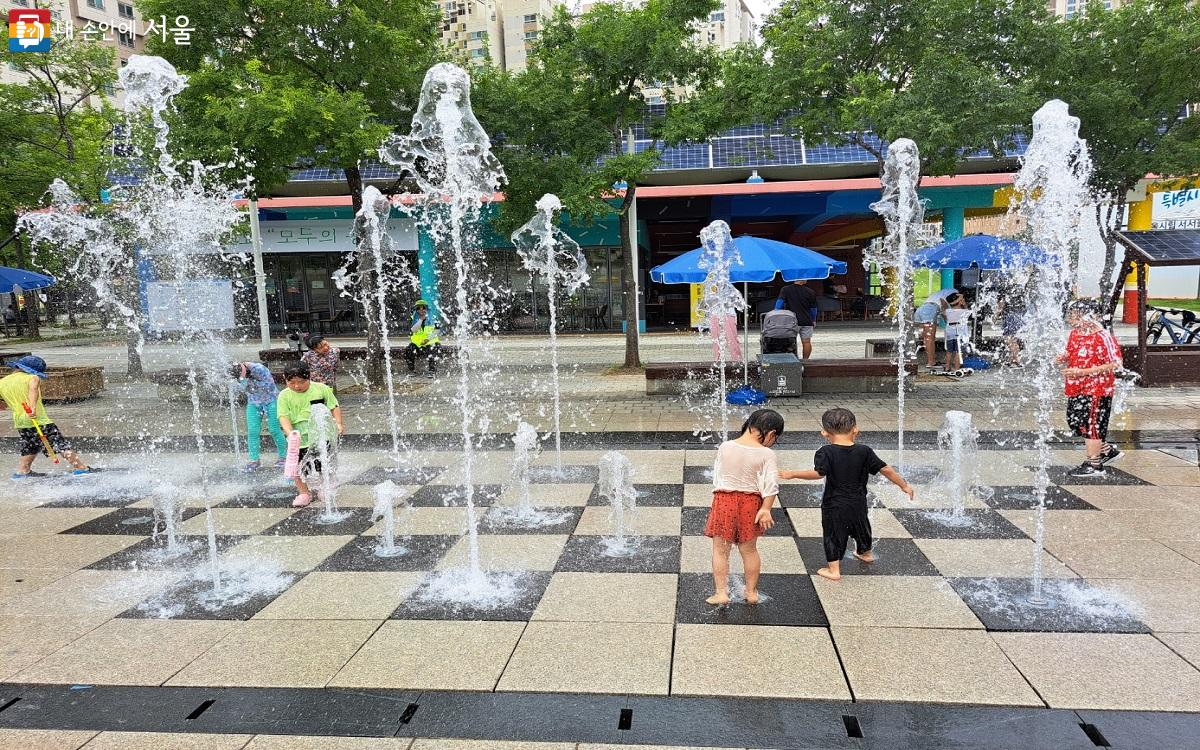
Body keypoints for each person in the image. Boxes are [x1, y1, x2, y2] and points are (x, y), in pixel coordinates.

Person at [780, 407, 913, 581]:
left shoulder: (825, 452)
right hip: (858, 501)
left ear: (824, 433)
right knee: (861, 526)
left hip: (834, 504)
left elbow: (818, 473)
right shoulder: (865, 451)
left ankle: (834, 570)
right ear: (855, 429)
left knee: (833, 533)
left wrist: (793, 473)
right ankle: (865, 553)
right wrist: (903, 485)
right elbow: (885, 469)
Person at [705, 408, 783, 606]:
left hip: (724, 500)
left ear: (749, 425)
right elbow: (771, 485)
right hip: (751, 503)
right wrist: (766, 509)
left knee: (721, 550)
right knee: (749, 550)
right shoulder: (767, 454)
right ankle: (751, 592)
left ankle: (721, 593)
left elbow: (718, 477)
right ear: (772, 433)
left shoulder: (726, 446)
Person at [1057, 300, 1124, 478]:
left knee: (1091, 425)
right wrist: (1063, 357)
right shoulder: (1075, 334)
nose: (1070, 319)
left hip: (1097, 389)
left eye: (1074, 315)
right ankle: (1107, 451)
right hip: (1076, 386)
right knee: (1075, 421)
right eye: (1070, 315)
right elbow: (1073, 352)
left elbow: (1116, 364)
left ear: (1089, 316)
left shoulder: (1102, 336)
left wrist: (1084, 371)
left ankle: (1094, 464)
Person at [0, 356, 92, 478]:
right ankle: (80, 467)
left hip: (20, 421)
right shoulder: (32, 378)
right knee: (60, 443)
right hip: (38, 420)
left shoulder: (3, 382)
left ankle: (23, 470)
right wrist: (32, 408)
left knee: (31, 445)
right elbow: (33, 390)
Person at [276, 363, 344, 507]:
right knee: (296, 468)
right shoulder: (284, 395)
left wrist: (338, 423)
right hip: (298, 440)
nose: (296, 386)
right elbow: (283, 416)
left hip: (320, 436)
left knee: (323, 465)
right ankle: (304, 493)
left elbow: (334, 406)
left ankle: (325, 488)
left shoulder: (321, 389)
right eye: (291, 382)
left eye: (301, 382)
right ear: (285, 379)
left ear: (309, 377)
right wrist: (289, 433)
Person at [230, 361, 287, 472]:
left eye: (245, 375)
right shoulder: (240, 373)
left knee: (274, 429)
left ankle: (283, 456)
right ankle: (254, 460)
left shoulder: (259, 369)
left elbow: (262, 387)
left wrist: (243, 380)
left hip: (271, 401)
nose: (244, 377)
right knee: (252, 431)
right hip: (254, 402)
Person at [914, 287, 960, 370]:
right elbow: (943, 306)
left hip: (921, 310)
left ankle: (932, 360)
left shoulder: (942, 293)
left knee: (926, 338)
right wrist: (950, 322)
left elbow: (943, 309)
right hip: (929, 310)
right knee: (930, 338)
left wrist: (948, 320)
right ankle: (931, 362)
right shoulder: (955, 292)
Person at [776, 280, 818, 359]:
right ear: (802, 280)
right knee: (806, 342)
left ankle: (792, 361)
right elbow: (813, 309)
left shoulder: (785, 289)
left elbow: (779, 304)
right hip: (806, 321)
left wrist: (776, 315)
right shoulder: (810, 291)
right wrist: (813, 320)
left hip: (791, 321)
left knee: (790, 342)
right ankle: (805, 360)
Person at [404, 299, 442, 376]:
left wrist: (427, 339)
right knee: (408, 350)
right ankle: (412, 370)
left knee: (433, 348)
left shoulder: (433, 318)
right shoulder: (413, 318)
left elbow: (437, 331)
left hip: (431, 342)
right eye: (418, 308)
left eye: (423, 308)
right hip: (417, 345)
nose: (421, 310)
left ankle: (432, 370)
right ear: (416, 310)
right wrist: (420, 320)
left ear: (427, 308)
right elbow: (413, 330)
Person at [942, 294, 971, 372]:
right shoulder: (964, 311)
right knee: (958, 352)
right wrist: (964, 304)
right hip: (960, 334)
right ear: (960, 302)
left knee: (949, 351)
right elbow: (969, 312)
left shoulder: (947, 311)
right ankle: (957, 368)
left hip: (949, 334)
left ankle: (947, 367)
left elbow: (944, 314)